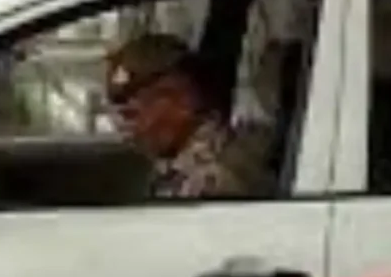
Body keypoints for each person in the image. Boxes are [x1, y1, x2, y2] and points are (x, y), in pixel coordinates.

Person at [103, 32, 274, 200]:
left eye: (132, 115)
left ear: (184, 101)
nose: (126, 131)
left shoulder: (210, 185)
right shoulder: (175, 164)